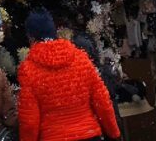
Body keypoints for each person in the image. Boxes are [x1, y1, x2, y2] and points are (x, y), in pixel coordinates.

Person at [17, 9, 120, 141]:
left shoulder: (28, 69)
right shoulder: (81, 58)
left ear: (31, 37)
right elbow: (102, 101)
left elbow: (29, 120)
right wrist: (113, 132)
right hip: (89, 134)